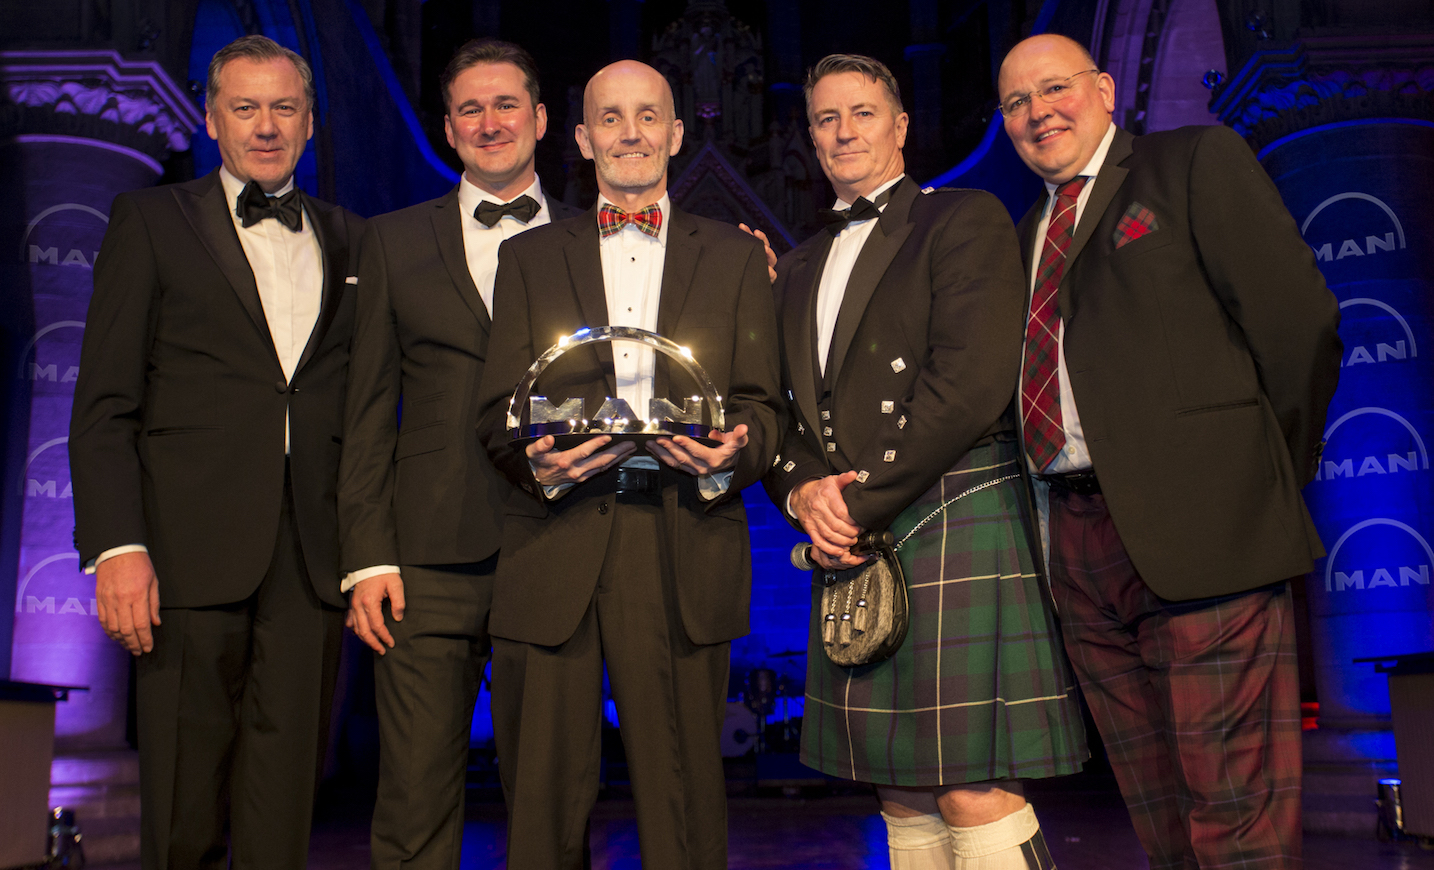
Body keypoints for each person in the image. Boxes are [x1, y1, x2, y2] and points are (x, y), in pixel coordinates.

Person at [996, 34, 1342, 870]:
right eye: (1016, 102)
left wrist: (1258, 474)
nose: (1039, 112)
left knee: (1233, 816)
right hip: (1076, 548)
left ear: (1106, 90)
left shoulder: (1190, 164)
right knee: (1161, 814)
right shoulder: (1019, 237)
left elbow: (1297, 325)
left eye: (1055, 88)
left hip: (1210, 526)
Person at [762, 53, 1085, 870]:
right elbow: (775, 410)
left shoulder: (961, 219)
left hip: (951, 510)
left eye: (863, 113)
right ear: (810, 139)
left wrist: (851, 504)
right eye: (826, 118)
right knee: (899, 790)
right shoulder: (794, 268)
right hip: (855, 542)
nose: (844, 131)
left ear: (901, 126)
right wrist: (802, 493)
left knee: (973, 787)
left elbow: (968, 384)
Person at [474, 59, 783, 869]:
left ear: (676, 133)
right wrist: (539, 464)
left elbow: (763, 407)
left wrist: (730, 455)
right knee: (541, 809)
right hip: (557, 540)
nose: (631, 133)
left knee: (684, 807)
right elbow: (495, 411)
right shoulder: (529, 258)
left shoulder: (737, 257)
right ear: (582, 139)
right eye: (610, 117)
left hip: (683, 537)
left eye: (648, 116)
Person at [68, 35, 363, 870]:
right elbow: (105, 404)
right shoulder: (150, 222)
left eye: (283, 108)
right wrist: (117, 548)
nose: (265, 126)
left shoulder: (352, 239)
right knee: (183, 807)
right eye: (245, 108)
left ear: (309, 123)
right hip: (184, 557)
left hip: (312, 560)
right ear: (210, 119)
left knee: (284, 808)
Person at [336, 39, 581, 869]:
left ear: (540, 120)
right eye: (470, 109)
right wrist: (367, 556)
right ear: (447, 129)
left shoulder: (591, 238)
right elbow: (366, 410)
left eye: (506, 104)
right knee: (413, 798)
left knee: (552, 803)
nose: (490, 122)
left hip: (556, 545)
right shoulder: (391, 241)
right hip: (424, 560)